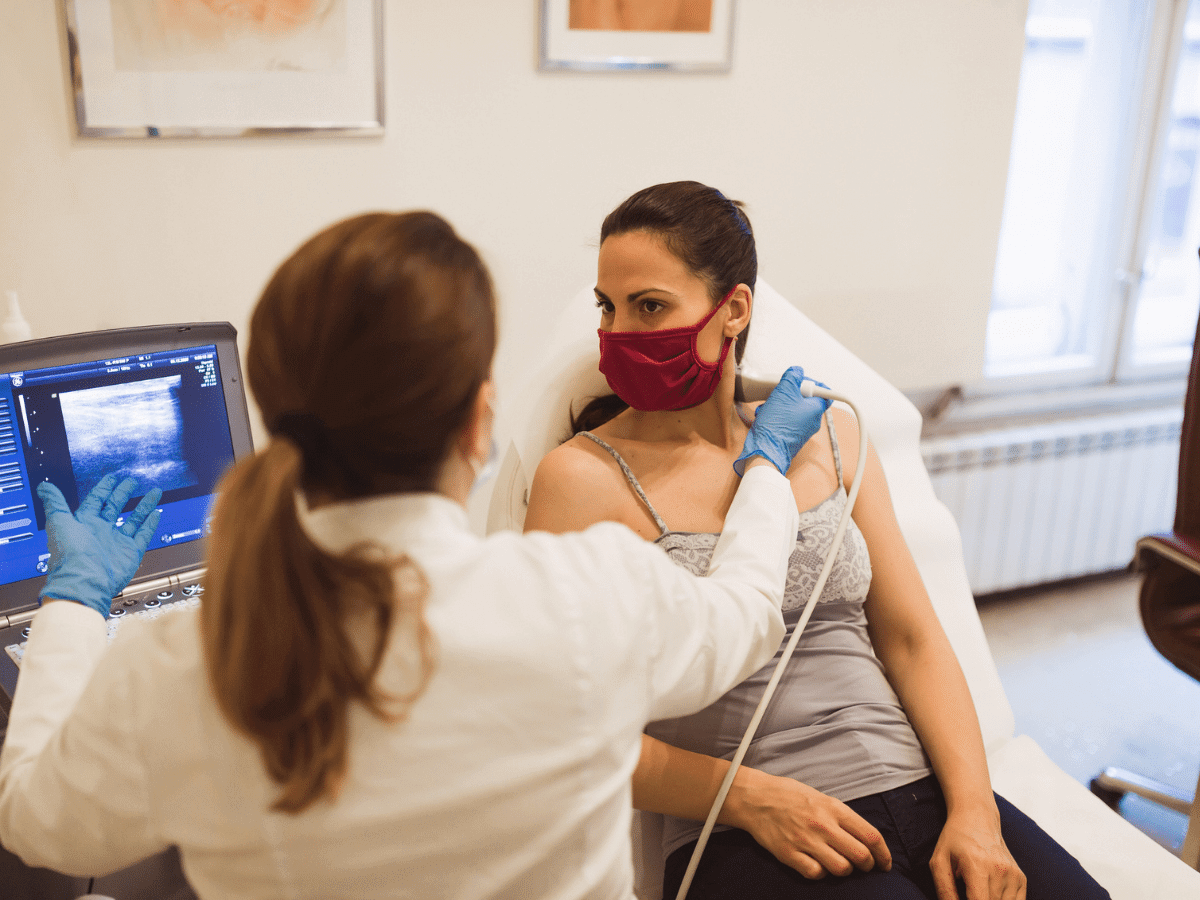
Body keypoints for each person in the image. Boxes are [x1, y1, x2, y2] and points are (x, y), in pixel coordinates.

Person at [0, 211, 832, 899]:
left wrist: (75, 599)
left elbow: (38, 825)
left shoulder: (187, 660)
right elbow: (747, 615)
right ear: (478, 422)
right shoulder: (587, 594)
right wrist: (763, 469)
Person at [523, 181, 1110, 900]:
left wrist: (976, 813)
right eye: (607, 309)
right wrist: (748, 799)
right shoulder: (581, 479)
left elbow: (913, 638)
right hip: (742, 826)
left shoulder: (828, 433)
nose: (620, 334)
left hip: (913, 784)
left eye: (650, 307)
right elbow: (567, 728)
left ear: (732, 310)